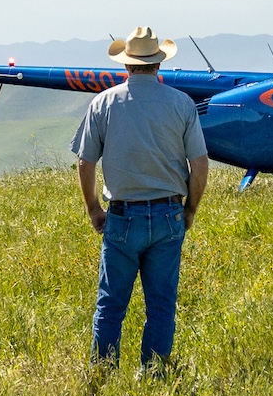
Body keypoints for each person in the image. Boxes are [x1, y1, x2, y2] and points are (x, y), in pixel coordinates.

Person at [72, 27, 210, 370]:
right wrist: (190, 209)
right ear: (158, 65)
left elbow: (85, 161)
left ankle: (102, 374)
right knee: (161, 306)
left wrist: (93, 209)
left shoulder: (103, 103)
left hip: (122, 215)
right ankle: (155, 374)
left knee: (111, 304)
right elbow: (200, 163)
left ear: (127, 66)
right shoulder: (181, 103)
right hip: (168, 213)